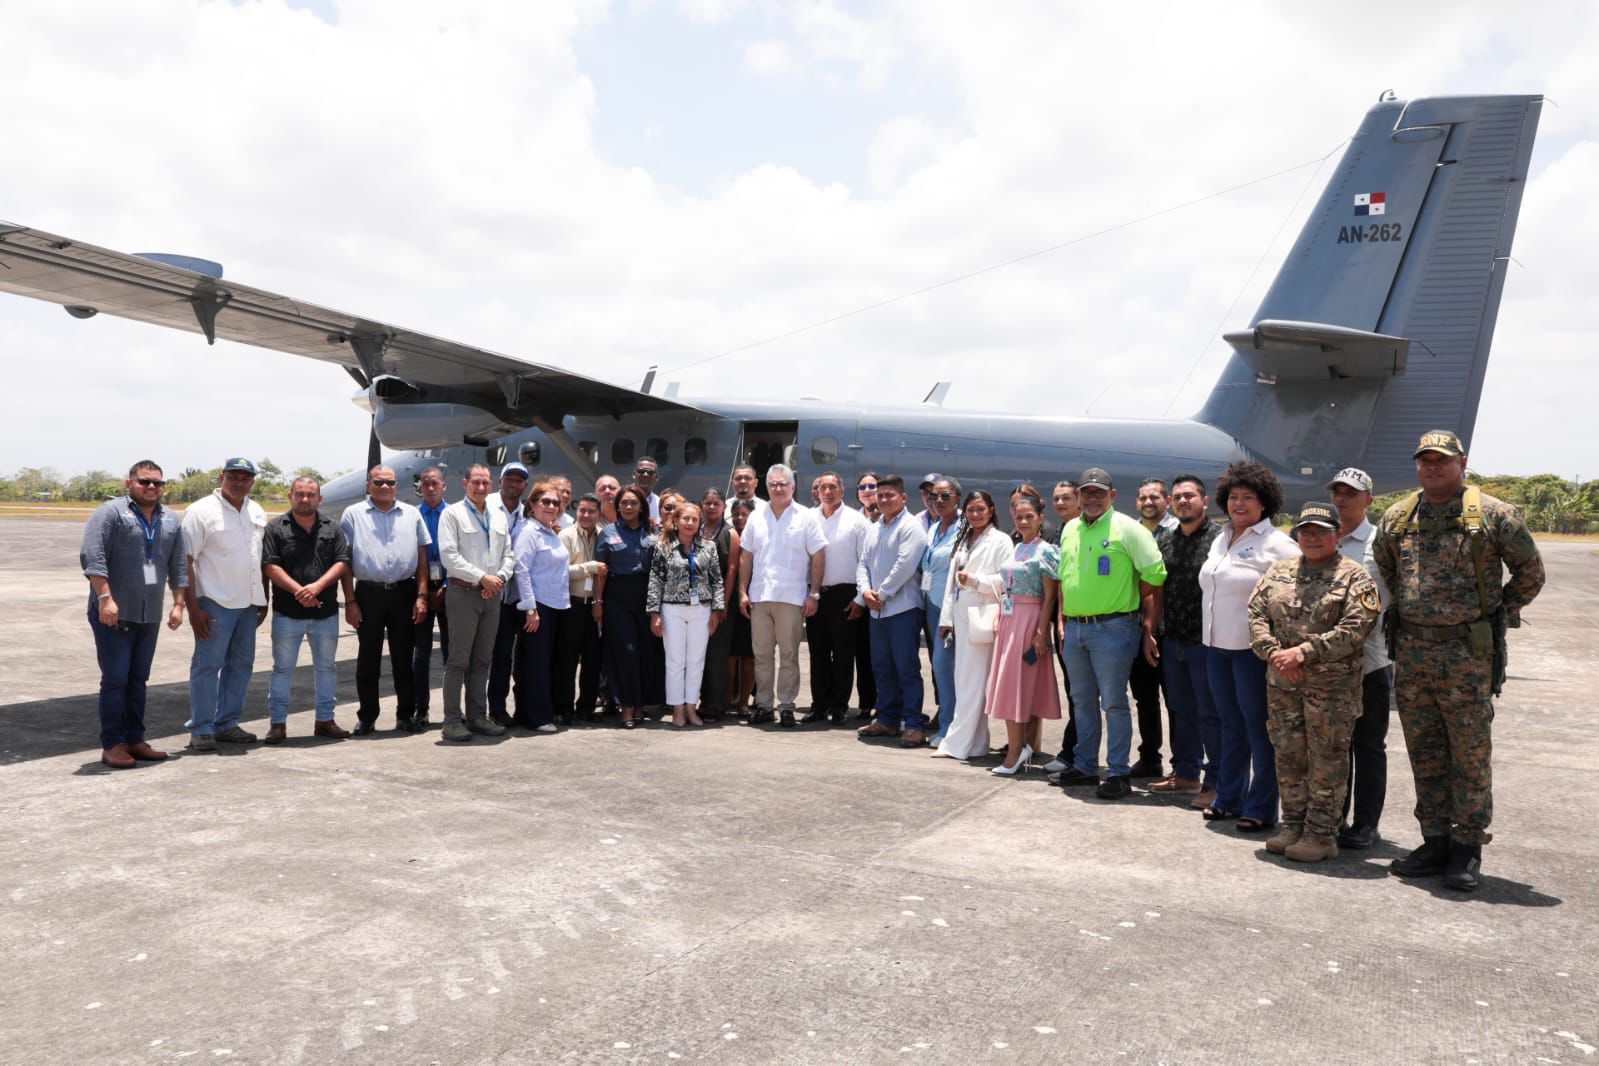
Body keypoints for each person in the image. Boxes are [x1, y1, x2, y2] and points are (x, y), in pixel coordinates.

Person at [1375, 430, 1545, 891]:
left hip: (1466, 655)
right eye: (1425, 460)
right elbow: (1386, 566)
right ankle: (1434, 841)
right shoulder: (1397, 516)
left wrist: (1498, 613)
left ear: (1461, 462)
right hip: (1413, 652)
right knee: (1425, 750)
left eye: (1442, 460)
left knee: (1470, 754)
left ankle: (1467, 847)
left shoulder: (1494, 514)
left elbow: (1531, 572)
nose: (1433, 467)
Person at [1247, 502, 1381, 862]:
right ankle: (1293, 825)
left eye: (1322, 532)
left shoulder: (1354, 576)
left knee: (1327, 759)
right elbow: (1256, 614)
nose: (1313, 538)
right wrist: (1275, 653)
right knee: (1288, 754)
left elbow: (1356, 628)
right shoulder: (1279, 571)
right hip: (1282, 683)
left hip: (1331, 689)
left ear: (1338, 535)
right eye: (1306, 531)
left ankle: (1322, 834)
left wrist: (1304, 653)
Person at [1053, 468, 1166, 799]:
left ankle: (1118, 773)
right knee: (1082, 700)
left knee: (1114, 702)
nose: (1092, 498)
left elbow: (1155, 574)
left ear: (1112, 496)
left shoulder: (1128, 529)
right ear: (1079, 496)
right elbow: (1065, 577)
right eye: (1087, 492)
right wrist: (1063, 619)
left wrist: (1131, 602)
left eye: (1099, 493)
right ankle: (1086, 766)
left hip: (1113, 627)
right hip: (1075, 627)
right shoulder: (1070, 528)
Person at [1198, 460, 1299, 830]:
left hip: (1251, 651)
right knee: (1230, 726)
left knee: (1260, 729)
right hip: (1215, 646)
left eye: (1248, 497)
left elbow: (1298, 591)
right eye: (1234, 497)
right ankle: (1229, 797)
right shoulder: (1220, 537)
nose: (1239, 504)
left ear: (1264, 502)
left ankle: (1260, 807)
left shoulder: (1277, 544)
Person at [80, 460, 188, 768]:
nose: (151, 487)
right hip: (114, 612)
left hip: (149, 613)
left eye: (157, 482)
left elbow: (179, 565)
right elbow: (93, 556)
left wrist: (178, 604)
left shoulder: (171, 519)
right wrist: (105, 598)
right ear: (130, 483)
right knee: (116, 679)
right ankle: (113, 744)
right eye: (144, 481)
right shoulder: (110, 513)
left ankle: (135, 739)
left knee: (138, 679)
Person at [1326, 467, 1393, 849]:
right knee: (1332, 746)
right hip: (1327, 666)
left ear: (1368, 500)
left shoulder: (1380, 543)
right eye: (1337, 492)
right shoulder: (1320, 537)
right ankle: (1333, 817)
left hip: (1370, 662)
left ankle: (1367, 824)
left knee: (1367, 746)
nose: (1341, 499)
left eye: (1350, 493)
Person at [183, 458, 269, 751]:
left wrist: (263, 599)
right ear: (222, 477)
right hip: (215, 602)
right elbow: (186, 561)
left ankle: (227, 724)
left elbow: (259, 559)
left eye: (245, 478)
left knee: (241, 665)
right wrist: (193, 609)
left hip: (248, 603)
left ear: (253, 482)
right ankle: (201, 728)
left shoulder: (256, 510)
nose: (239, 482)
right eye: (233, 476)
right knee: (207, 665)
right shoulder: (201, 511)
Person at [339, 464, 432, 735]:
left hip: (404, 593)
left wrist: (422, 596)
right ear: (368, 485)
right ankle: (367, 717)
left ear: (396, 486)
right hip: (368, 594)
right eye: (378, 482)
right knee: (368, 659)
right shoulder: (353, 514)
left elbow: (422, 559)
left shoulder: (412, 514)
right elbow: (344, 561)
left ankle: (405, 715)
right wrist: (350, 601)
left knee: (404, 659)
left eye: (390, 482)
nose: (384, 487)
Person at [261, 476, 352, 743]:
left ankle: (325, 720)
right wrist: (299, 591)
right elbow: (270, 566)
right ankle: (278, 723)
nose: (304, 499)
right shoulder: (275, 528)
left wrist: (317, 587)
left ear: (319, 498)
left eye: (310, 494)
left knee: (326, 669)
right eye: (299, 494)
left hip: (325, 613)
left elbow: (342, 562)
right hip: (287, 613)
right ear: (290, 496)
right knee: (282, 670)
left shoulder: (332, 528)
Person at [1149, 475, 1221, 806]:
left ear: (1204, 501)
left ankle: (1216, 782)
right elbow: (1157, 589)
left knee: (1210, 713)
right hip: (1172, 638)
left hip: (1206, 640)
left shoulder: (1220, 539)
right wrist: (1151, 630)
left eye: (1189, 496)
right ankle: (1186, 773)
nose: (1182, 501)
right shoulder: (1165, 540)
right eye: (1177, 496)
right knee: (1180, 710)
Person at [738, 463, 827, 728]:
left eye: (783, 484)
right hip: (760, 595)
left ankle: (786, 706)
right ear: (766, 487)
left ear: (793, 487)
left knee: (789, 655)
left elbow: (818, 555)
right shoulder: (756, 516)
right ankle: (764, 705)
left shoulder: (806, 516)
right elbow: (746, 556)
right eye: (773, 484)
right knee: (762, 655)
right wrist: (742, 591)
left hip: (792, 596)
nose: (778, 488)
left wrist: (814, 593)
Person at [985, 492, 1062, 774]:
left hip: (1030, 621)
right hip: (1009, 620)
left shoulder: (1046, 551)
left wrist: (1041, 632)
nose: (1024, 521)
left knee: (1018, 686)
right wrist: (999, 614)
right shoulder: (1017, 548)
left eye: (1030, 516)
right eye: (1019, 517)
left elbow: (1049, 597)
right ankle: (1019, 747)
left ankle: (1017, 751)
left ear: (1041, 518)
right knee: (1009, 685)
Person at [437, 464, 514, 741]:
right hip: (464, 592)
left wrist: (499, 578)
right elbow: (449, 556)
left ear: (491, 485)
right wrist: (482, 577)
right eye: (475, 482)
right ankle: (451, 721)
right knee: (458, 660)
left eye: (485, 483)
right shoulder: (452, 514)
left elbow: (508, 554)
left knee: (483, 659)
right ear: (465, 483)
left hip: (492, 595)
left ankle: (477, 716)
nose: (480, 487)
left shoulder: (498, 517)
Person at [934, 491, 1013, 760]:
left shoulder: (1000, 540)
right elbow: (950, 584)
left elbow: (1007, 580)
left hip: (983, 615)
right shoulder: (963, 538)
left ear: (991, 510)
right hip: (960, 616)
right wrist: (946, 619)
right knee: (965, 680)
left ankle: (957, 744)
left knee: (973, 682)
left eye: (980, 509)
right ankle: (976, 744)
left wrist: (976, 581)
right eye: (971, 510)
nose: (976, 515)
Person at [855, 475, 928, 744]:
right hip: (877, 611)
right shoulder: (875, 528)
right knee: (882, 667)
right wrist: (865, 592)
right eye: (881, 495)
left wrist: (882, 594)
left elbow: (905, 565)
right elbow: (862, 564)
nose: (884, 499)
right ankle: (887, 720)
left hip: (903, 609)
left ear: (903, 497)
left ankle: (913, 724)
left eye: (890, 495)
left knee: (906, 668)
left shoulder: (911, 527)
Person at [648, 499, 726, 727]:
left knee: (696, 661)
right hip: (671, 609)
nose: (690, 523)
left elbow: (717, 580)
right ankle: (677, 709)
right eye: (685, 518)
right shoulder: (663, 546)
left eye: (694, 519)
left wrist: (717, 610)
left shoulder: (708, 547)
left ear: (699, 522)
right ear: (676, 521)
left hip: (701, 609)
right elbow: (655, 580)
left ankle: (691, 707)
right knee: (675, 661)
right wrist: (654, 613)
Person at [805, 473, 870, 725]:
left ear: (842, 491)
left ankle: (840, 707)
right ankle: (819, 705)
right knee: (818, 652)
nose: (828, 492)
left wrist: (860, 599)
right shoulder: (808, 518)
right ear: (817, 491)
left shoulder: (856, 521)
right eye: (823, 487)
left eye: (833, 487)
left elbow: (866, 562)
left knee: (843, 654)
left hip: (846, 594)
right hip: (816, 594)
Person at [510, 481, 571, 733]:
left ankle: (528, 713)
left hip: (556, 605)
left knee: (542, 661)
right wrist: (530, 609)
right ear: (532, 504)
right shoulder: (529, 531)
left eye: (556, 502)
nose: (551, 506)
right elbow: (521, 570)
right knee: (536, 663)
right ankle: (537, 716)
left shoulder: (549, 531)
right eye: (545, 501)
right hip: (538, 606)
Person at [1127, 477, 1178, 777]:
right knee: (1144, 698)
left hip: (1171, 629)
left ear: (1167, 501)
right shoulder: (1130, 532)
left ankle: (1181, 764)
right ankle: (1149, 758)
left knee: (1176, 700)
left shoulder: (1178, 532)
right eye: (1143, 498)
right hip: (1136, 627)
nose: (1148, 502)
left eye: (1155, 497)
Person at [593, 486, 654, 729]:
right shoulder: (608, 533)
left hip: (646, 596)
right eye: (624, 503)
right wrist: (597, 602)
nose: (628, 507)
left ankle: (640, 705)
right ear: (617, 506)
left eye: (633, 503)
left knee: (645, 651)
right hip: (617, 597)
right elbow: (600, 571)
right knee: (626, 651)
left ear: (642, 507)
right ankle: (626, 706)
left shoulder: (652, 532)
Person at [486, 462, 531, 727]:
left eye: (519, 480)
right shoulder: (487, 506)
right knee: (499, 655)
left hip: (521, 595)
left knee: (523, 656)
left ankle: (524, 707)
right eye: (509, 479)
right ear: (500, 481)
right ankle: (496, 708)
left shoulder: (528, 512)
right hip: (494, 592)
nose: (514, 484)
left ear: (525, 485)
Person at [555, 494, 605, 725]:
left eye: (591, 511)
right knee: (567, 660)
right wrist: (588, 568)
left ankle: (586, 707)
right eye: (582, 510)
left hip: (595, 606)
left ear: (599, 513)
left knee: (593, 660)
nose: (586, 515)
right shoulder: (566, 536)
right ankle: (564, 708)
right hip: (571, 604)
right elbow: (559, 571)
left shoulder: (604, 535)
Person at [921, 476, 962, 744]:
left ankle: (949, 727)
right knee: (940, 668)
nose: (938, 500)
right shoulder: (934, 527)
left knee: (945, 667)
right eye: (934, 496)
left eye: (945, 496)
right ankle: (947, 722)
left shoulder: (964, 528)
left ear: (957, 498)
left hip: (951, 608)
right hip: (930, 604)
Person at [1044, 481, 1082, 774]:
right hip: (1063, 624)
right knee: (1073, 690)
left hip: (1080, 622)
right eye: (1056, 499)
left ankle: (1074, 753)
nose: (1060, 503)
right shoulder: (1058, 533)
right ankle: (1074, 750)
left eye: (1066, 498)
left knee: (1082, 693)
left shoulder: (1082, 530)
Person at [697, 490, 740, 722]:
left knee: (716, 655)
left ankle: (714, 706)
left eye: (716, 503)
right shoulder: (696, 529)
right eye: (708, 503)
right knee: (698, 655)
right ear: (701, 505)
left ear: (724, 506)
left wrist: (721, 602)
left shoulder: (730, 533)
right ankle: (699, 701)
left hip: (720, 603)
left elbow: (732, 569)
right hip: (695, 602)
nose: (712, 507)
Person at [412, 466, 450, 730]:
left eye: (435, 482)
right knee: (420, 653)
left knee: (452, 654)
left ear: (443, 486)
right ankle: (420, 709)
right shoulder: (412, 516)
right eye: (425, 483)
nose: (430, 487)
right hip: (421, 591)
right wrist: (421, 592)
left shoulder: (455, 514)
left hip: (450, 589)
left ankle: (453, 709)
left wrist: (446, 586)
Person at [725, 498, 758, 715]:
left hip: (753, 600)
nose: (739, 518)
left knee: (749, 654)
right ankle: (728, 699)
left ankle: (744, 702)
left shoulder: (759, 535)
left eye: (744, 514)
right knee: (730, 654)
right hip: (729, 601)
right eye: (736, 514)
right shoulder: (727, 535)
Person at [853, 472, 881, 718]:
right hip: (860, 594)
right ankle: (866, 703)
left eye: (872, 486)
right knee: (863, 653)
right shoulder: (854, 519)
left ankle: (886, 703)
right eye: (863, 487)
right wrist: (861, 595)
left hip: (884, 596)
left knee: (883, 655)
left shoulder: (888, 518)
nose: (867, 490)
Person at [633, 457, 662, 523]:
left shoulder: (660, 504)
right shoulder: (620, 499)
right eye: (641, 471)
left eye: (650, 472)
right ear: (634, 475)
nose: (645, 475)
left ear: (656, 478)